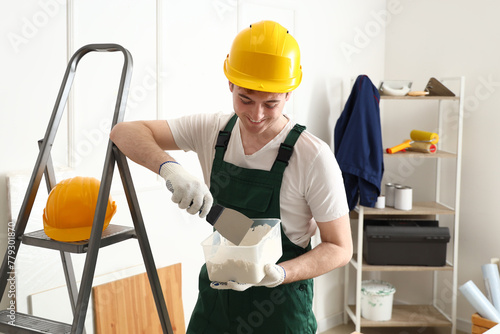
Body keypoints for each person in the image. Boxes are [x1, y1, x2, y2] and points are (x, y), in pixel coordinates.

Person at [110, 20, 352, 334]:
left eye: (271, 103)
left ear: (289, 93)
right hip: (216, 302)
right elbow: (123, 132)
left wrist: (279, 273)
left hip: (280, 309)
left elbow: (339, 248)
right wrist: (170, 169)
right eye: (246, 99)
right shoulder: (212, 131)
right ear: (230, 84)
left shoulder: (313, 157)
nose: (256, 115)